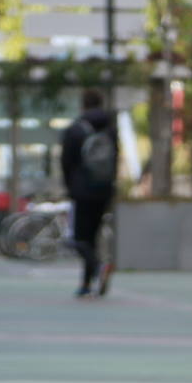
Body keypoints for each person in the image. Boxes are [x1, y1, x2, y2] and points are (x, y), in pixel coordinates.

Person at [60, 88, 118, 298]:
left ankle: (97, 267)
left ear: (83, 104)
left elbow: (66, 162)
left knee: (78, 238)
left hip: (82, 190)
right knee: (93, 235)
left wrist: (70, 186)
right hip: (104, 189)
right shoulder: (110, 129)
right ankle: (86, 282)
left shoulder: (76, 129)